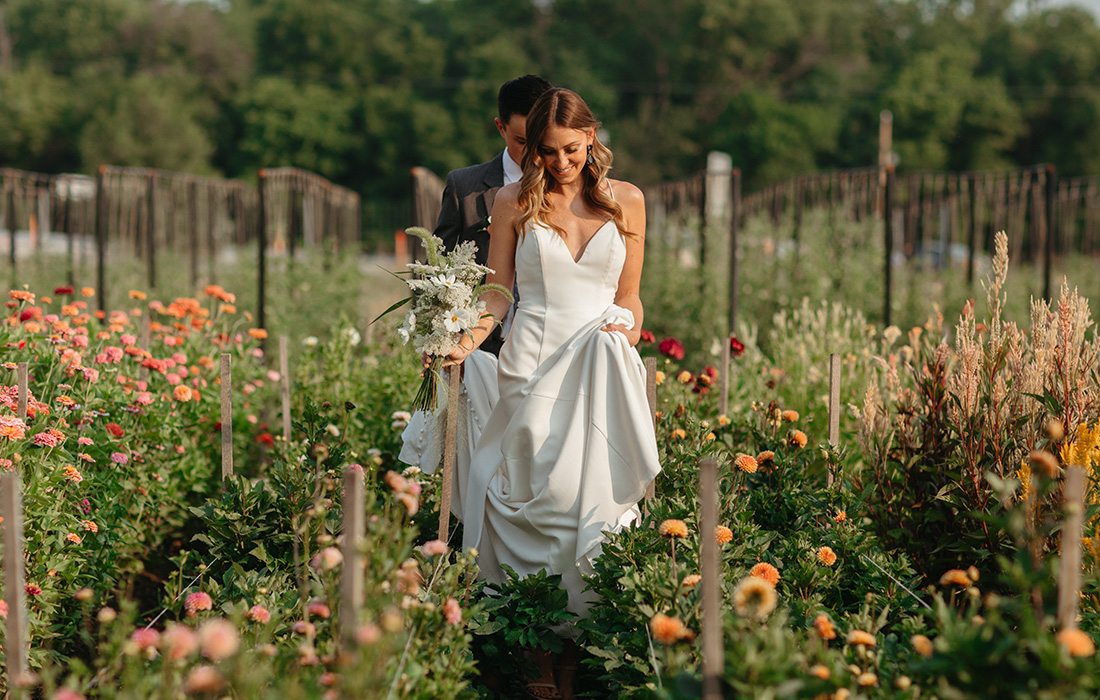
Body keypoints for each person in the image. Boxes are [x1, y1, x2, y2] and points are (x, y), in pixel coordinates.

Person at [440, 87, 661, 699]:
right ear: (530, 148)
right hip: (531, 367)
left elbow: (631, 296)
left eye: (570, 149)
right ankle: (535, 662)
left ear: (591, 137)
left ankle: (573, 666)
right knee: (531, 508)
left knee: (591, 514)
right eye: (546, 151)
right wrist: (463, 342)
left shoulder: (629, 202)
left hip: (597, 367)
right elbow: (497, 293)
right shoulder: (512, 201)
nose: (560, 162)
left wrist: (628, 328)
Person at [433, 74, 552, 356]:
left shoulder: (572, 190)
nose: (534, 155)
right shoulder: (465, 188)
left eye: (542, 141)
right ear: (501, 127)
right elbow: (438, 272)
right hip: (481, 349)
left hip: (551, 346)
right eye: (523, 141)